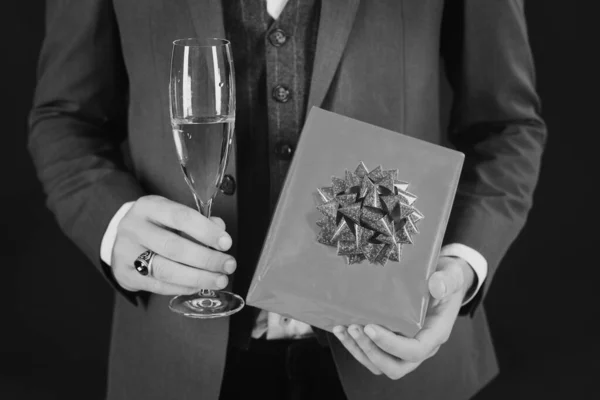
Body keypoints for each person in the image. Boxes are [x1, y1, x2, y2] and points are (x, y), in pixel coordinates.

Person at [28, 0, 546, 399]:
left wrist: (460, 266)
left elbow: (507, 126)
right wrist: (113, 225)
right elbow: (64, 120)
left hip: (398, 365)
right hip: (179, 360)